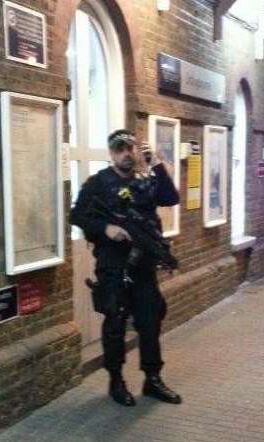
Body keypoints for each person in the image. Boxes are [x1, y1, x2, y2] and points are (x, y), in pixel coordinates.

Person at [69, 129, 182, 407]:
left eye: (130, 148)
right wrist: (105, 228)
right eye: (120, 149)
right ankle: (116, 380)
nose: (126, 153)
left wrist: (156, 163)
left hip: (142, 265)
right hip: (113, 264)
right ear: (111, 153)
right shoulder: (98, 183)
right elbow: (77, 215)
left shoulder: (145, 181)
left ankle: (152, 378)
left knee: (150, 320)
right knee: (115, 322)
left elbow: (170, 198)